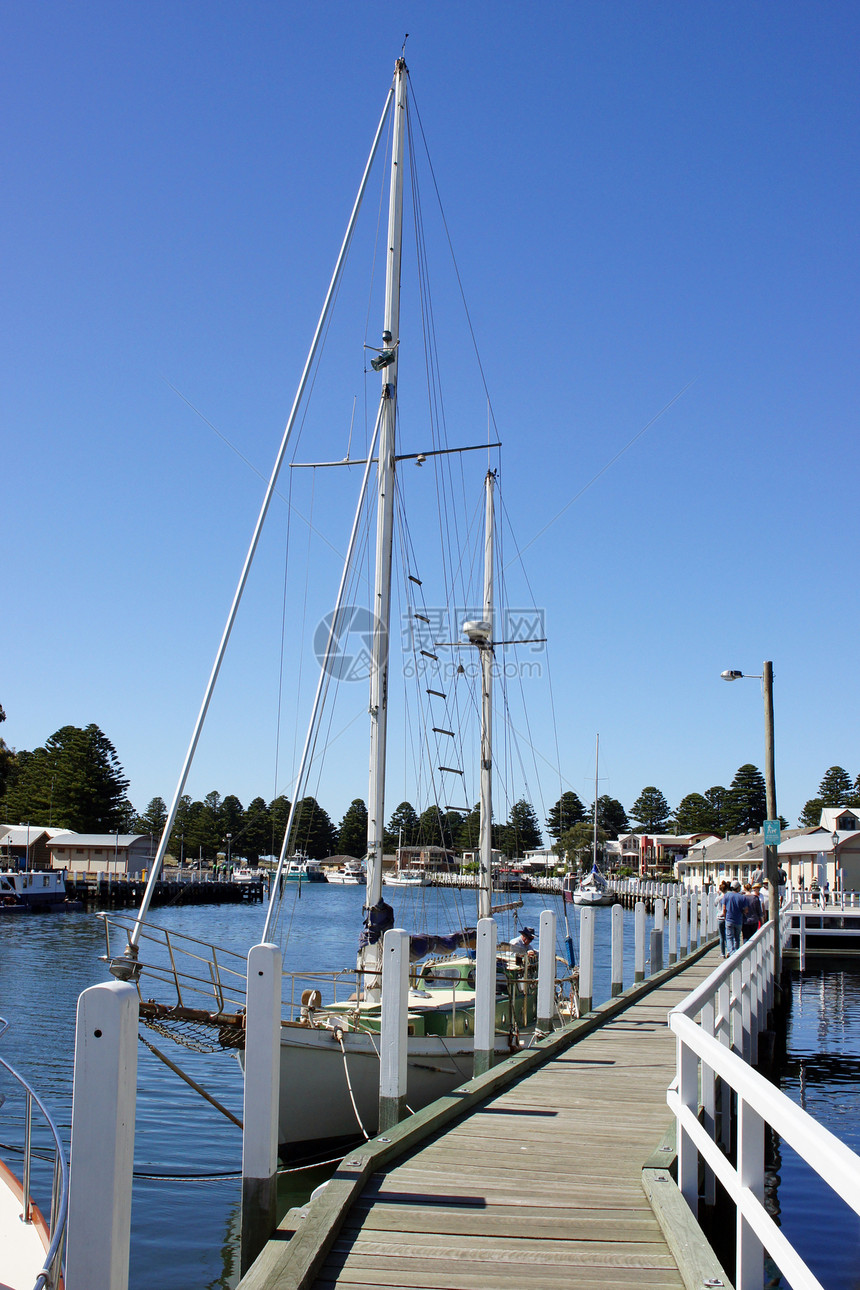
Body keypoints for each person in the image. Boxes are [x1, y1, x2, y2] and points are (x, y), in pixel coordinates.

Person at [724, 880, 746, 954]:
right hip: (738, 920)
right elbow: (746, 910)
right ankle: (736, 952)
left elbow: (724, 908)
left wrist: (725, 917)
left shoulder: (726, 895)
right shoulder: (741, 897)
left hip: (729, 919)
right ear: (738, 888)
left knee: (729, 937)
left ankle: (730, 951)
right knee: (737, 937)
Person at [716, 880, 729, 957]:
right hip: (727, 917)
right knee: (728, 935)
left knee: (721, 936)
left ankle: (722, 953)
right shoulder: (728, 897)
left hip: (720, 918)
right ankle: (728, 951)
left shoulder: (718, 898)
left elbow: (714, 904)